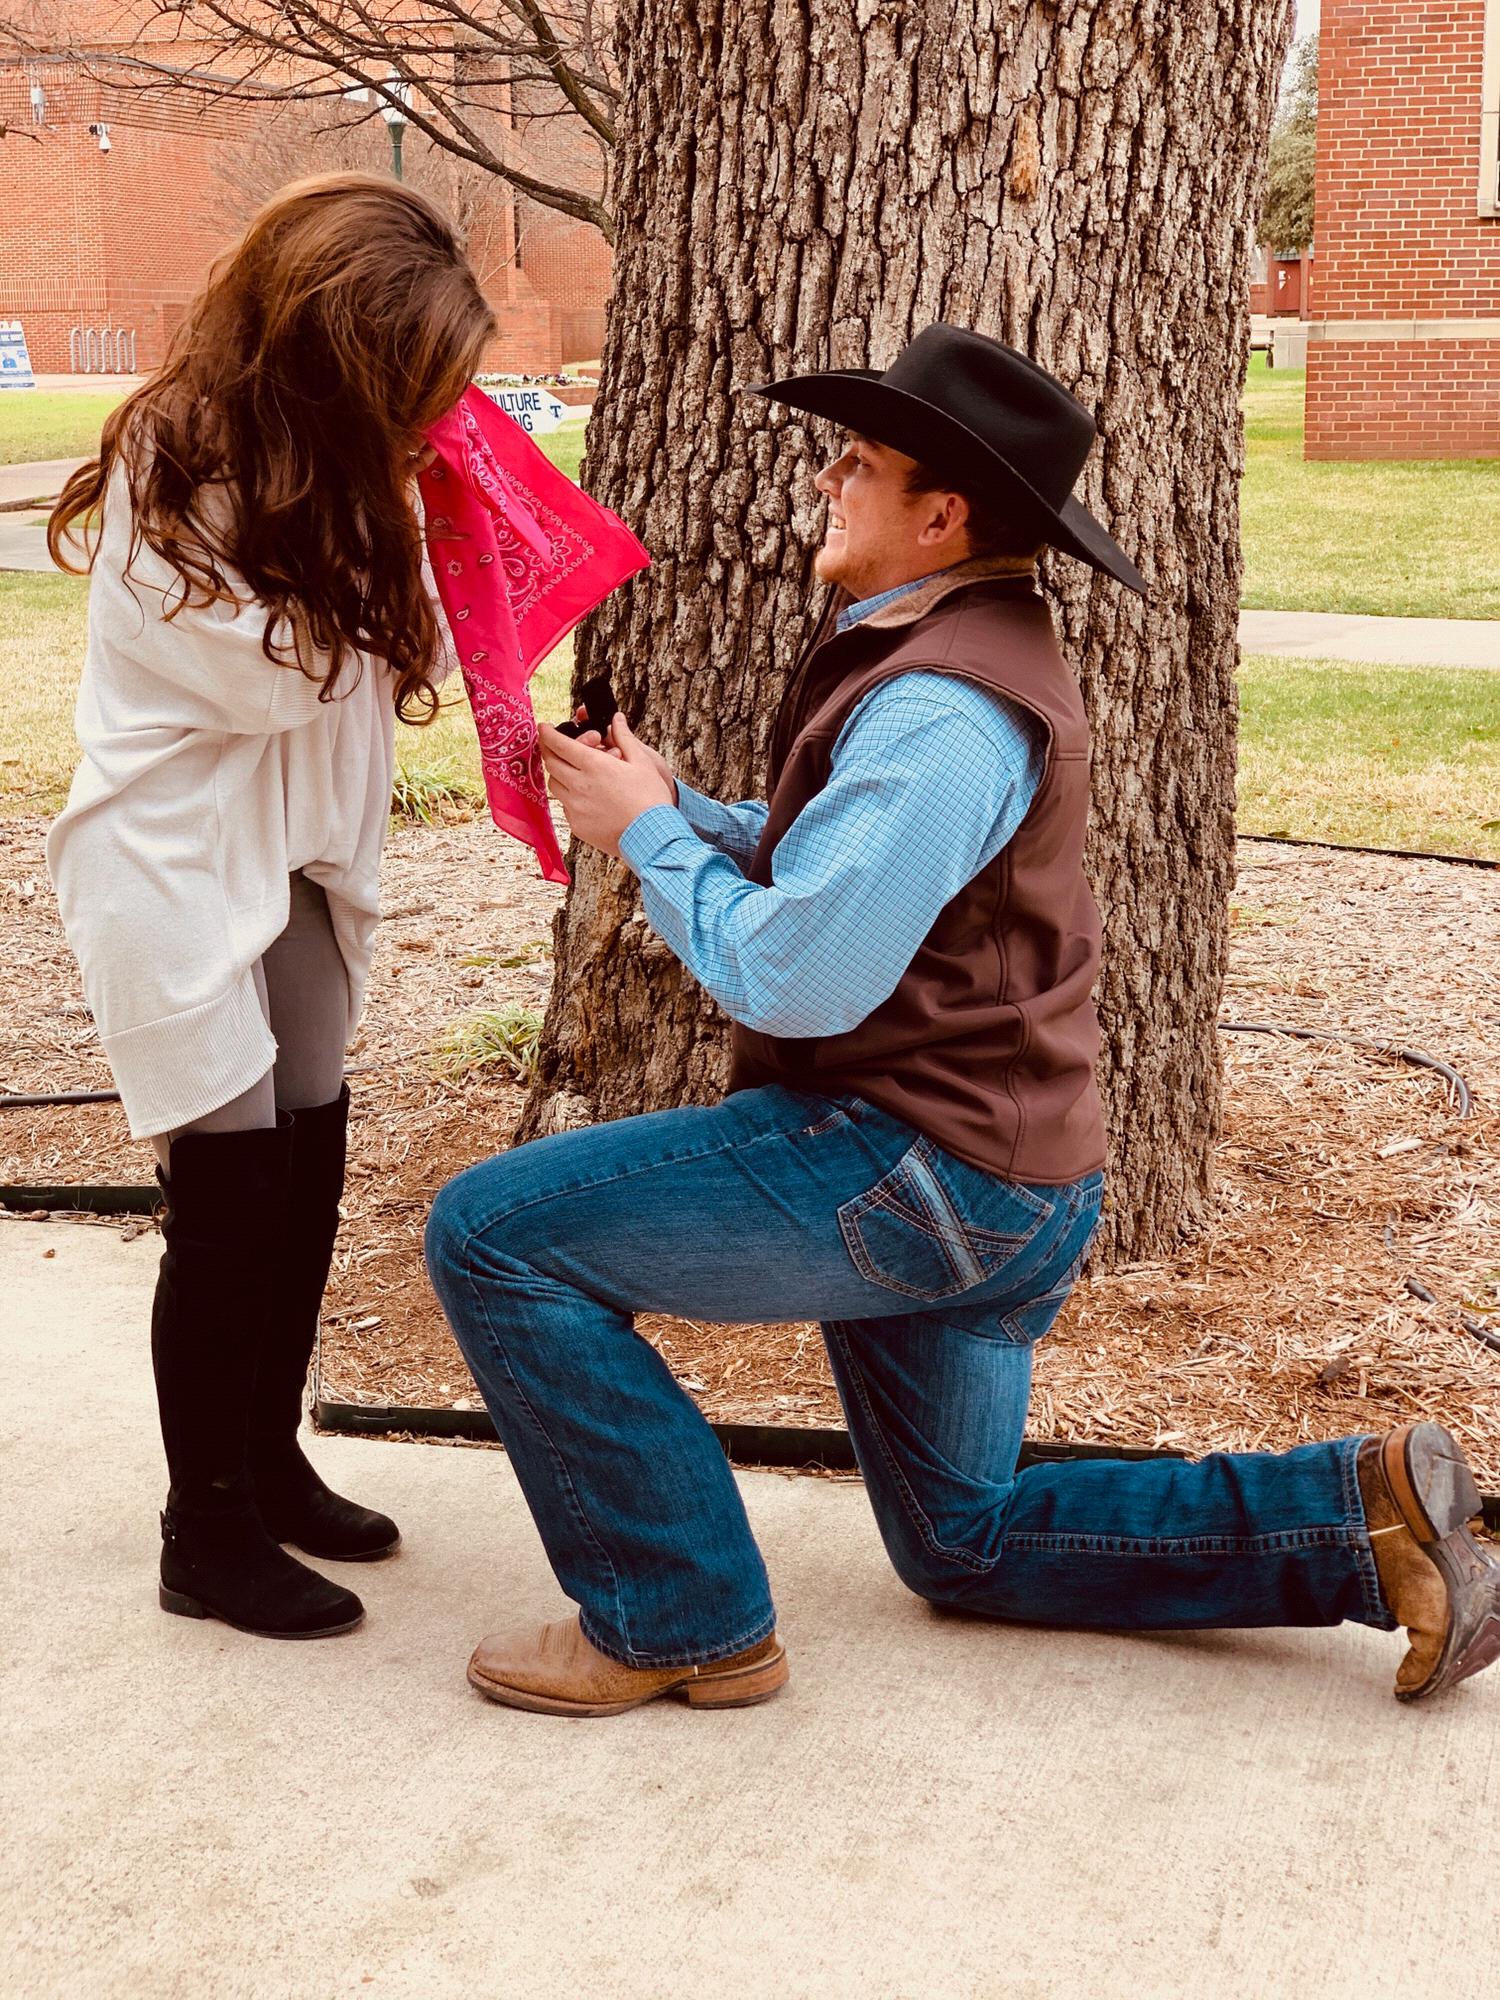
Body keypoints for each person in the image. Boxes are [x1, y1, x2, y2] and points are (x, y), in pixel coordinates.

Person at [425, 324, 1500, 1716]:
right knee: (962, 1543)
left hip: (920, 1173)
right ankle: (1362, 1520)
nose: (825, 479)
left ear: (940, 516)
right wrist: (684, 810)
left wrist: (649, 841)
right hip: (998, 1182)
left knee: (495, 1236)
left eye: (857, 463)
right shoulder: (948, 649)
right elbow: (858, 880)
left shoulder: (939, 707)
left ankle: (677, 1617)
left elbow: (795, 976)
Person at [47, 173, 496, 1641]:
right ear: (327, 356)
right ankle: (206, 1527)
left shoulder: (353, 470)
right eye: (410, 384)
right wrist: (398, 557)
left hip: (300, 847)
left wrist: (421, 537)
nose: (429, 416)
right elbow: (272, 674)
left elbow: (405, 657)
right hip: (171, 853)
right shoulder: (171, 459)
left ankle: (271, 1454)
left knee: (308, 1145)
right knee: (230, 1185)